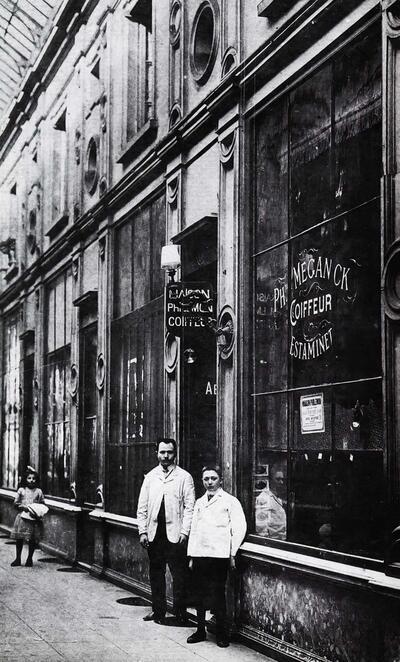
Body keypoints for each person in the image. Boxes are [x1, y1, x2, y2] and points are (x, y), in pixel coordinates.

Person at [186, 464, 247, 648]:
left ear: (221, 479)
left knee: (218, 594)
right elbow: (194, 530)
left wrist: (232, 552)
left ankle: (221, 633)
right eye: (206, 479)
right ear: (202, 480)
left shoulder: (230, 501)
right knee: (199, 594)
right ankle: (199, 630)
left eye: (213, 478)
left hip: (218, 556)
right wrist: (191, 556)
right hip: (200, 555)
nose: (210, 482)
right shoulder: (199, 502)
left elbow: (239, 528)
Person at [137, 438, 195, 625]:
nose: (166, 456)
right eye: (162, 452)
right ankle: (158, 611)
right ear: (157, 453)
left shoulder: (184, 477)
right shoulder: (151, 477)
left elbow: (190, 508)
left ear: (175, 453)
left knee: (180, 575)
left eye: (169, 452)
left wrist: (184, 532)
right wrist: (142, 531)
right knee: (156, 574)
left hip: (176, 535)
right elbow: (142, 507)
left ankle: (180, 613)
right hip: (155, 534)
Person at [10, 467, 45, 567]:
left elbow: (42, 503)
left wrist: (37, 509)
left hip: (33, 518)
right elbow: (15, 503)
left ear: (36, 480)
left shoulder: (39, 491)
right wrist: (22, 506)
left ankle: (29, 558)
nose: (31, 480)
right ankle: (18, 558)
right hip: (22, 518)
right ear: (25, 479)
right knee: (19, 538)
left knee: (32, 539)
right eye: (29, 478)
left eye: (33, 478)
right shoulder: (21, 490)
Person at [255, 465, 287, 540]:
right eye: (278, 479)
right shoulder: (264, 498)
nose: (281, 482)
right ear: (271, 480)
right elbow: (261, 528)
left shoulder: (278, 496)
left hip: (282, 540)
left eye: (282, 479)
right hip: (273, 542)